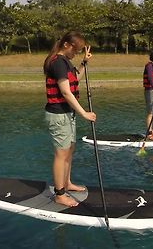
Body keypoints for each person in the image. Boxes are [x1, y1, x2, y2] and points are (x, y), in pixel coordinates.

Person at [43, 31, 96, 207]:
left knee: (69, 149)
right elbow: (66, 92)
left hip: (67, 114)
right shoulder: (57, 62)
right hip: (58, 115)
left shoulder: (65, 62)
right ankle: (59, 194)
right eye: (77, 49)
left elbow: (75, 80)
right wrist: (84, 113)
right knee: (61, 153)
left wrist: (84, 63)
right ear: (66, 45)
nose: (77, 53)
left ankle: (67, 183)